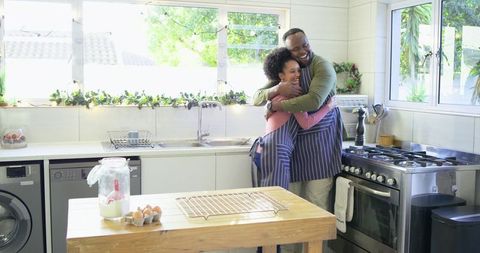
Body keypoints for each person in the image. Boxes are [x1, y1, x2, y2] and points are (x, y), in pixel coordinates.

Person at [253, 28, 342, 213]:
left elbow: (313, 101)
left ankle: (316, 244)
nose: (302, 51)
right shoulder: (290, 68)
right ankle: (285, 243)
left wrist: (276, 105)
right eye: (295, 49)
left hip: (321, 146)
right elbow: (256, 97)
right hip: (295, 147)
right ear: (288, 51)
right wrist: (277, 90)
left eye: (305, 45)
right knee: (291, 208)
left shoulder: (323, 67)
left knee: (315, 206)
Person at [251, 47, 335, 189]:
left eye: (298, 71)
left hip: (266, 149)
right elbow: (307, 123)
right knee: (277, 199)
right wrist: (328, 107)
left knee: (270, 197)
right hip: (277, 151)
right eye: (292, 71)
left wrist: (272, 105)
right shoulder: (292, 94)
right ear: (281, 76)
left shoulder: (277, 95)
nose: (297, 75)